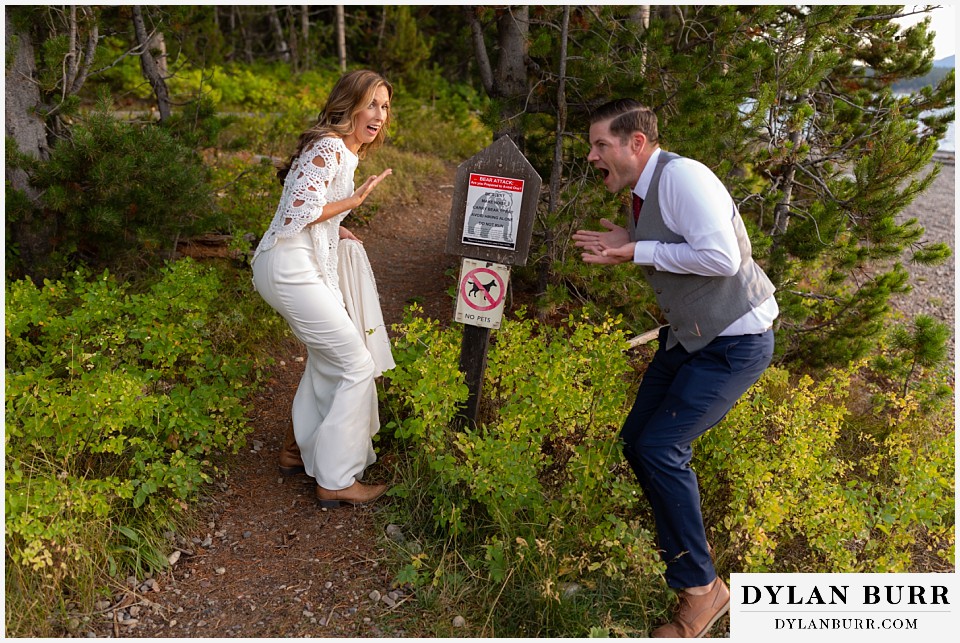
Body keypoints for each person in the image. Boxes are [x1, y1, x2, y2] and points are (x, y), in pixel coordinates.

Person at [572, 99, 778, 638]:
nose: (592, 156)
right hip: (691, 339)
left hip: (736, 341)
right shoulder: (648, 186)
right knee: (639, 440)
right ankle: (694, 573)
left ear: (635, 143)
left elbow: (722, 259)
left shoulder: (682, 178)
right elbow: (677, 243)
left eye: (601, 145)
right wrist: (628, 241)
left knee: (661, 447)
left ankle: (701, 591)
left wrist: (636, 250)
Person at [251, 70, 396, 509]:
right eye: (371, 104)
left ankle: (296, 449)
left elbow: (310, 211)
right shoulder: (330, 147)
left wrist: (340, 227)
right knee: (354, 363)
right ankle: (334, 478)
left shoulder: (342, 153)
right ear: (348, 105)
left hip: (298, 264)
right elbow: (300, 209)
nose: (378, 115)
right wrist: (350, 205)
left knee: (328, 357)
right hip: (289, 268)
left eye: (385, 107)